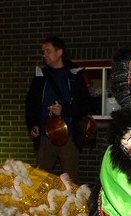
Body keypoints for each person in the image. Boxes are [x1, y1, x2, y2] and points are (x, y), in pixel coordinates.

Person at [25, 36, 93, 184]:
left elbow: (87, 105)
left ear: (59, 52)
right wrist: (33, 124)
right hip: (44, 136)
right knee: (39, 180)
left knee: (70, 181)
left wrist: (64, 110)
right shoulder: (40, 76)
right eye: (43, 52)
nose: (44, 55)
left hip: (68, 137)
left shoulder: (74, 76)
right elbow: (30, 103)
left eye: (48, 51)